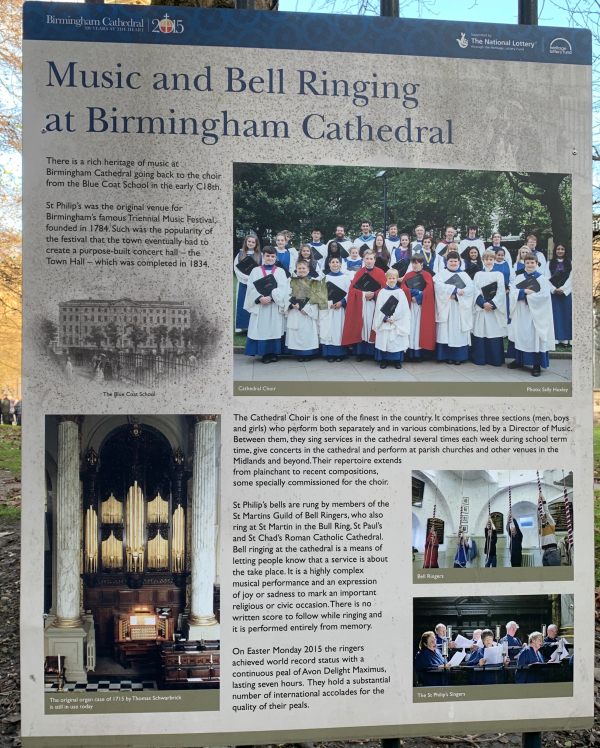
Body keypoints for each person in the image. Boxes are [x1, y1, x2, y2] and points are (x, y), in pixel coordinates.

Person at [507, 252, 555, 377]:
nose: (529, 265)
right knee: (520, 334)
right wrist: (523, 291)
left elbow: (544, 296)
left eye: (532, 263)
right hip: (521, 311)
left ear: (536, 263)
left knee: (534, 337)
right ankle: (519, 360)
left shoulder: (542, 279)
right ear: (524, 263)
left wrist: (529, 296)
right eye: (527, 263)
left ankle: (536, 365)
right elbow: (512, 292)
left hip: (535, 314)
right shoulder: (519, 278)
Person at [244, 246, 289, 363]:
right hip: (261, 306)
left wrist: (272, 297)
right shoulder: (256, 270)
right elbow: (251, 287)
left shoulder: (280, 271)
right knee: (262, 328)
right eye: (267, 256)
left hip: (274, 304)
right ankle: (264, 353)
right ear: (263, 256)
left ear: (276, 257)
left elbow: (283, 288)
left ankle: (274, 353)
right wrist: (259, 298)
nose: (270, 258)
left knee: (274, 327)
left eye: (272, 256)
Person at [341, 249, 387, 361]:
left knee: (373, 326)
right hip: (362, 306)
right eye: (367, 259)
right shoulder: (360, 272)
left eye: (371, 259)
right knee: (362, 327)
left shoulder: (380, 272)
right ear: (363, 260)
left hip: (375, 305)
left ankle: (373, 353)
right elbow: (352, 290)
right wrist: (363, 294)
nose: (369, 261)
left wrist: (375, 294)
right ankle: (361, 353)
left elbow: (385, 290)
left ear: (375, 260)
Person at [434, 250, 474, 364]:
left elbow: (471, 288)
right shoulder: (441, 273)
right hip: (446, 306)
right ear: (447, 262)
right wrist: (454, 289)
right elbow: (438, 286)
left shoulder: (464, 274)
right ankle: (446, 356)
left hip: (459, 306)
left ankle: (458, 357)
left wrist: (459, 293)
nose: (453, 263)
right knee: (446, 331)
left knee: (458, 330)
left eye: (455, 261)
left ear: (459, 262)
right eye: (451, 261)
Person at [471, 249, 507, 367]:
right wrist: (482, 303)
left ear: (494, 260)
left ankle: (494, 359)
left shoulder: (499, 274)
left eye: (491, 259)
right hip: (482, 308)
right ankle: (480, 358)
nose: (488, 261)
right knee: (481, 331)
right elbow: (475, 290)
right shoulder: (478, 274)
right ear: (483, 260)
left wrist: (492, 303)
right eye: (486, 259)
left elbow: (501, 291)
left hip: (493, 309)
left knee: (493, 331)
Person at [372, 268, 410, 369]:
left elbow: (403, 308)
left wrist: (394, 318)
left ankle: (397, 360)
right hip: (384, 321)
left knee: (396, 341)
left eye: (394, 278)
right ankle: (384, 360)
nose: (392, 280)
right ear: (386, 278)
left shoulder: (400, 292)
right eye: (390, 278)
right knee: (385, 340)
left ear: (397, 279)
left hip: (396, 322)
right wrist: (385, 317)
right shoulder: (382, 292)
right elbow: (379, 307)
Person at [401, 254, 436, 361]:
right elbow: (403, 287)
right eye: (413, 263)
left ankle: (419, 353)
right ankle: (409, 352)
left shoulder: (427, 275)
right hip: (410, 305)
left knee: (419, 328)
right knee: (411, 327)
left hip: (421, 306)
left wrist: (419, 297)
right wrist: (413, 293)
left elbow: (430, 289)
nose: (415, 265)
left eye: (417, 263)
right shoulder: (408, 275)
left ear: (422, 264)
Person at [286, 259, 320, 361]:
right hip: (295, 312)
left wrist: (308, 310)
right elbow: (285, 295)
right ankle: (298, 354)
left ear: (308, 269)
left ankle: (308, 353)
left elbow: (317, 298)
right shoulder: (290, 281)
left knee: (307, 332)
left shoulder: (314, 282)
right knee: (296, 332)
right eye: (299, 268)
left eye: (303, 268)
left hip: (307, 313)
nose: (301, 270)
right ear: (296, 269)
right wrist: (291, 305)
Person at [320, 256, 351, 362]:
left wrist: (342, 302)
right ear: (329, 264)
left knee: (339, 330)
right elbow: (321, 293)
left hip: (340, 309)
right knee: (329, 330)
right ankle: (329, 354)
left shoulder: (345, 277)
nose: (335, 264)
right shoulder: (325, 277)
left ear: (341, 264)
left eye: (337, 262)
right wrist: (329, 303)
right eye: (332, 262)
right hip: (329, 309)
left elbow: (349, 293)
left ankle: (340, 353)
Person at [233, 234, 262, 333]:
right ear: (246, 242)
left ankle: (252, 325)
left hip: (255, 284)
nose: (251, 243)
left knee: (253, 303)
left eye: (253, 242)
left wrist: (254, 279)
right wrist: (247, 278)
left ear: (256, 244)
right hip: (243, 282)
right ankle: (241, 326)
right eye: (249, 241)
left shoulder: (259, 255)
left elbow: (261, 269)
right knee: (241, 302)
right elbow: (236, 269)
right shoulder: (240, 254)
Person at [548, 244, 572, 348]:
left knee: (566, 315)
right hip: (554, 294)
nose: (560, 251)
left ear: (565, 251)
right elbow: (546, 277)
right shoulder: (550, 263)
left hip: (566, 293)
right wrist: (553, 289)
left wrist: (564, 289)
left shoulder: (570, 262)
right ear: (555, 251)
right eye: (558, 249)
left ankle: (566, 339)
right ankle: (556, 338)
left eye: (562, 249)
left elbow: (572, 277)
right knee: (555, 315)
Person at [539, 498, 561, 566]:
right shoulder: (541, 529)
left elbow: (547, 512)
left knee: (554, 573)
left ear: (546, 517)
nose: (542, 517)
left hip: (552, 551)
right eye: (541, 516)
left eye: (543, 516)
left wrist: (543, 501)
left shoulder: (551, 525)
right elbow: (538, 516)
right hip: (545, 552)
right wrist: (538, 503)